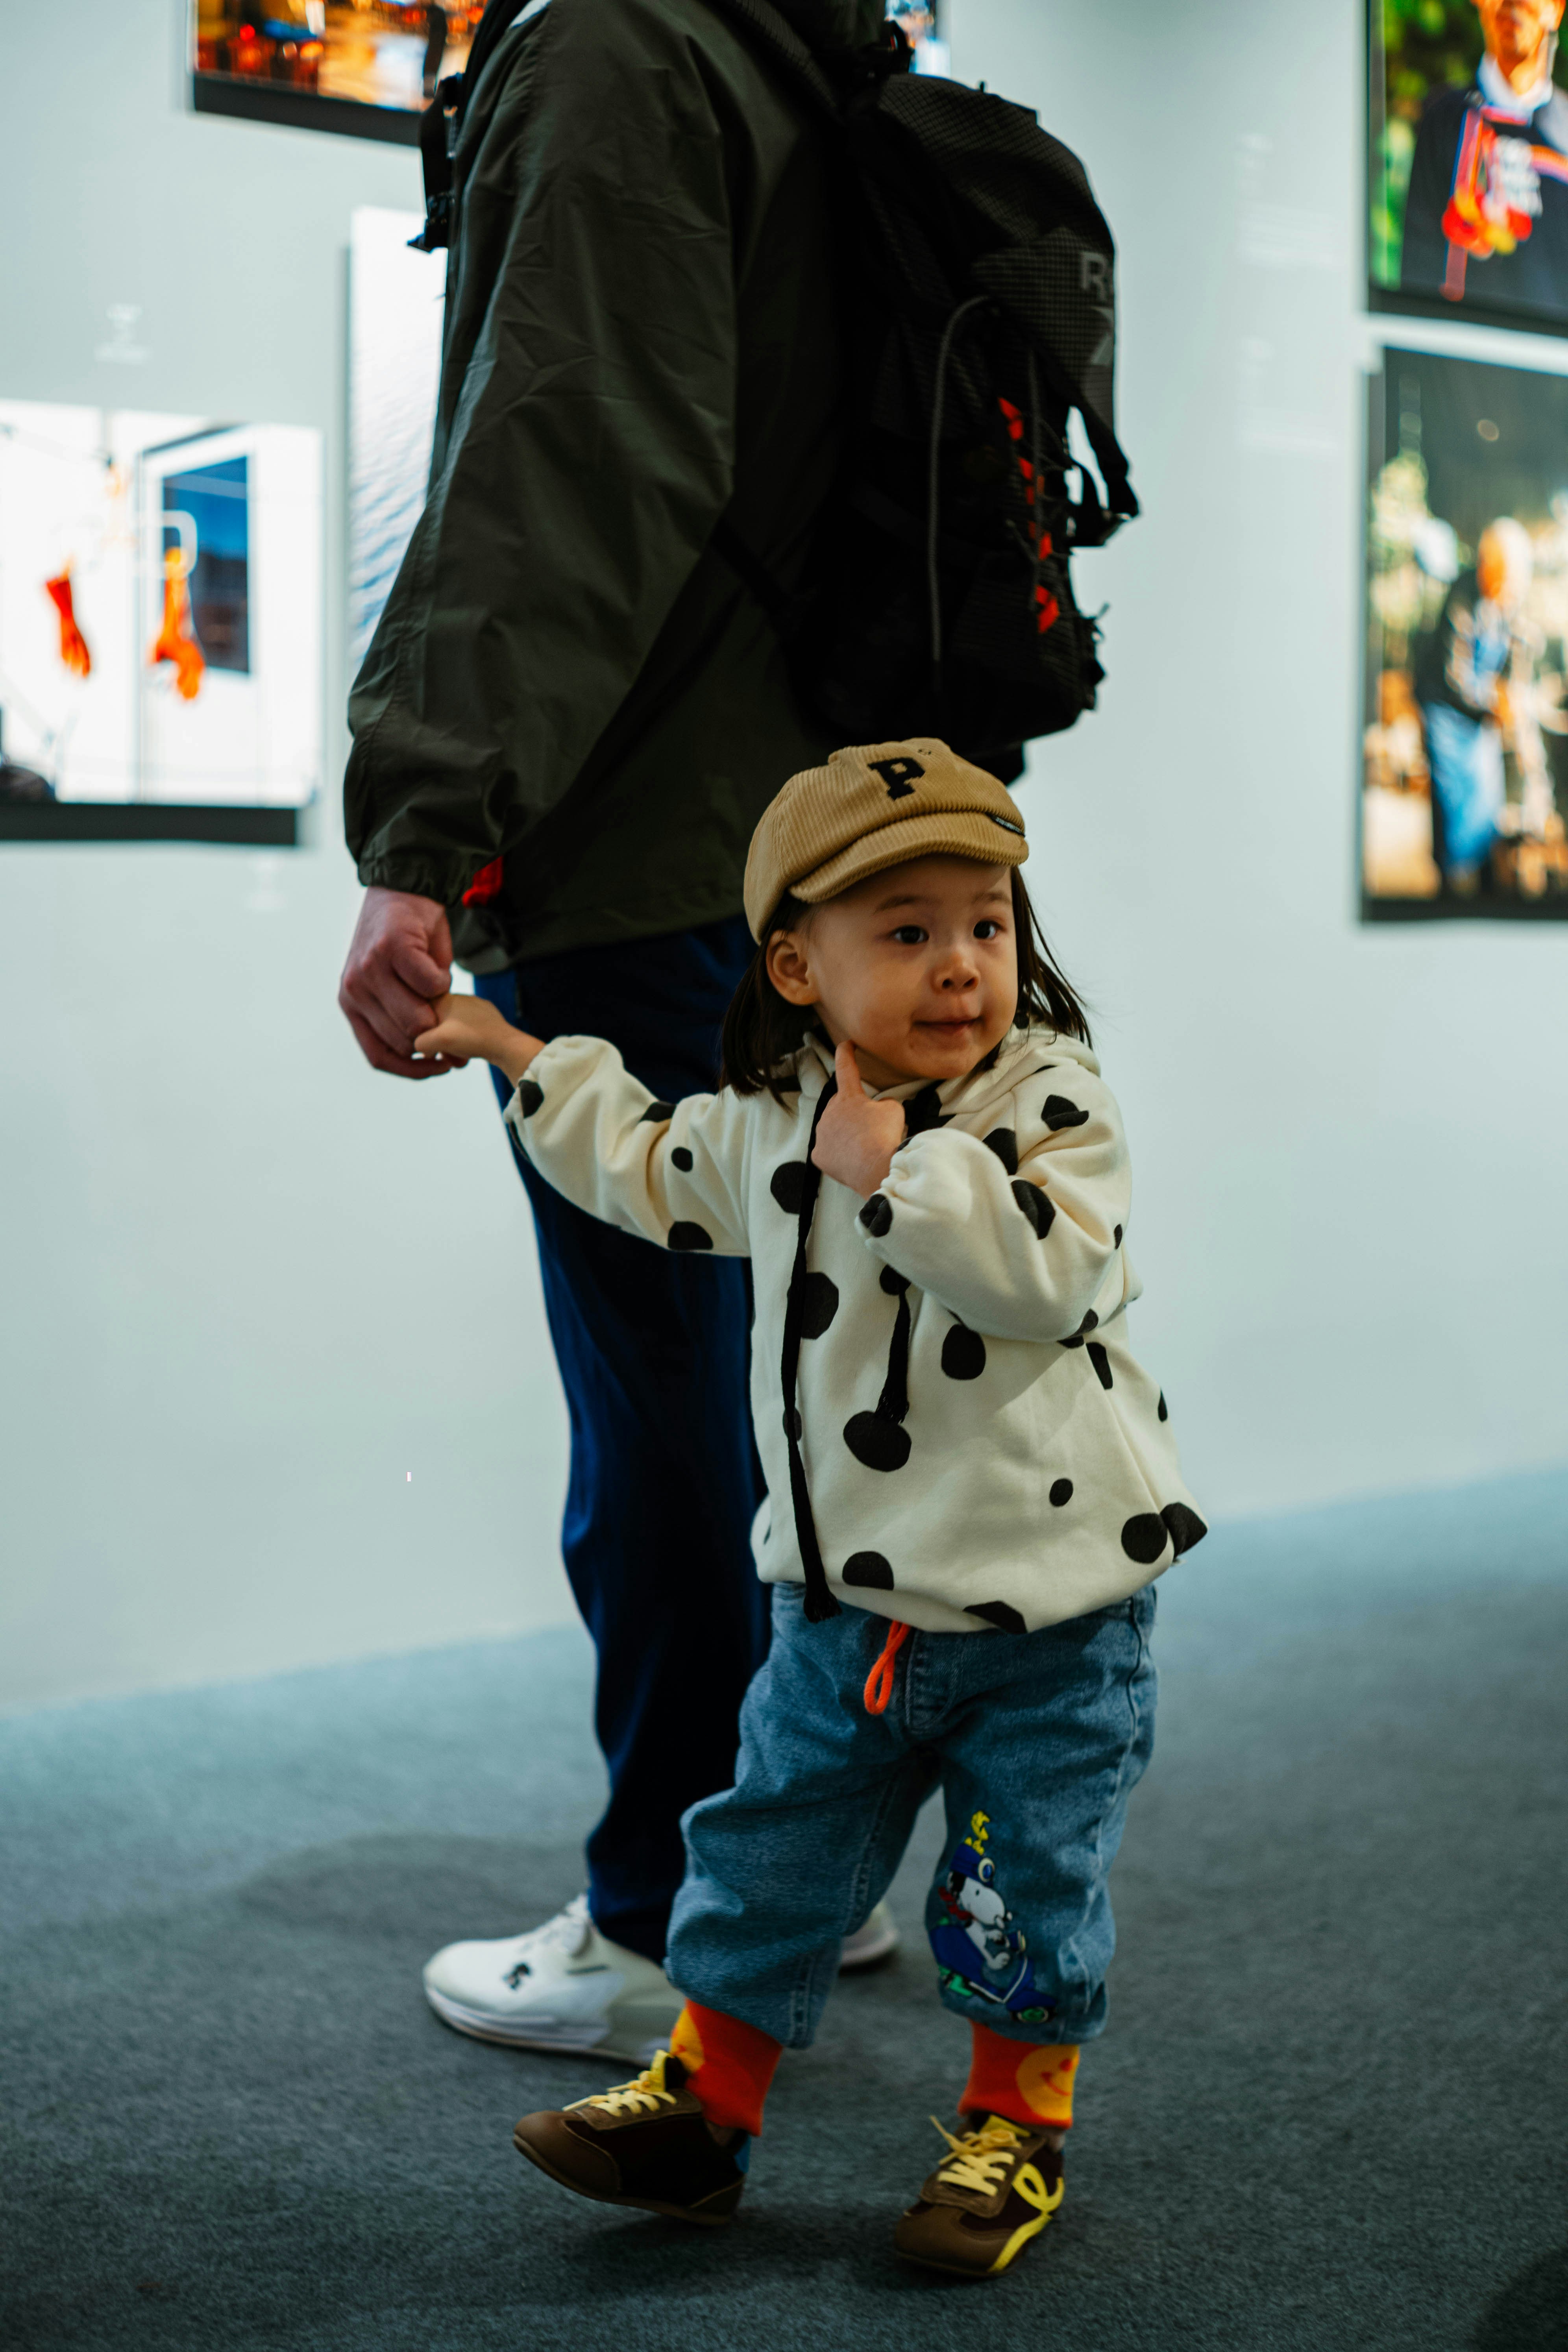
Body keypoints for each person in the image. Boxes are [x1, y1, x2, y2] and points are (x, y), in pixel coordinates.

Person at [411, 738, 1204, 2280]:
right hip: (839, 1611)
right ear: (796, 964)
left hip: (1046, 1618)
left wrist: (898, 1173)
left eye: (986, 922)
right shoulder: (775, 1115)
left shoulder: (1050, 1096)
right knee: (762, 1851)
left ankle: (1013, 2129)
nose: (961, 962)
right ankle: (702, 2111)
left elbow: (1052, 1272)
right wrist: (516, 1050)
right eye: (906, 930)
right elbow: (646, 1163)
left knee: (1019, 1886)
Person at [337, 0, 898, 2060]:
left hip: (648, 852)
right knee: (797, 1378)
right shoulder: (783, 46)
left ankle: (674, 1918)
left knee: (658, 1400)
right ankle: (800, 1867)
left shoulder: (607, 46)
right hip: (808, 844)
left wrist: (423, 822)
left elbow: (563, 458)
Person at [1401, 0, 1568, 320]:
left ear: (1556, 10)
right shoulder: (1444, 120)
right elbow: (1416, 265)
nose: (1512, 5)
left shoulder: (1565, 135)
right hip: (1458, 341)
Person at [1414, 517, 1535, 889]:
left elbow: (1518, 649)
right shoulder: (1462, 597)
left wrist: (1514, 695)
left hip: (1479, 718)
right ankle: (1449, 887)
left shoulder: (1509, 600)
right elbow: (1455, 677)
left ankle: (1485, 882)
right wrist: (1495, 704)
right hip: (1446, 716)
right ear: (1487, 566)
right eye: (1501, 577)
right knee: (1452, 807)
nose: (1506, 589)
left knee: (1487, 799)